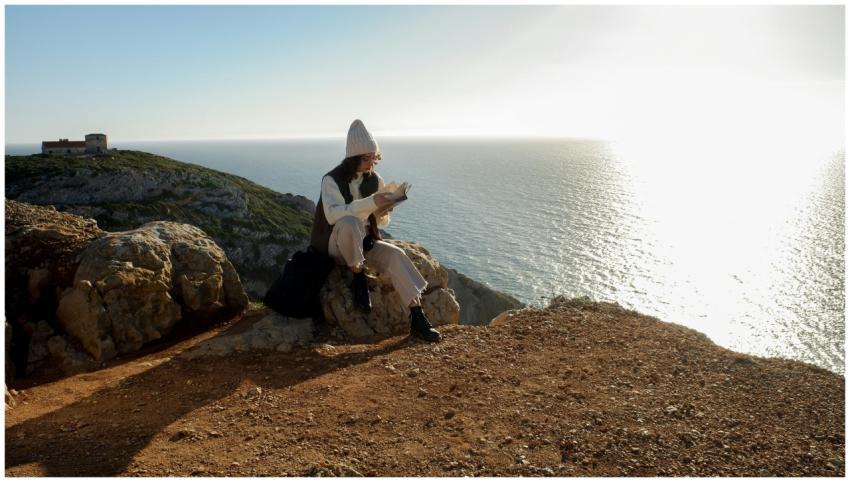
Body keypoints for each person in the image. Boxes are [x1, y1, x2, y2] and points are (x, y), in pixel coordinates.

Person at [310, 119, 442, 342]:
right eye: (366, 158)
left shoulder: (374, 180)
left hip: (363, 243)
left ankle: (417, 316)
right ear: (353, 158)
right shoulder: (331, 180)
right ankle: (357, 275)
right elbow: (334, 216)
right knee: (349, 222)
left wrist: (384, 207)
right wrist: (371, 201)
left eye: (374, 157)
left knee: (396, 255)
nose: (371, 163)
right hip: (336, 244)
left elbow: (379, 223)